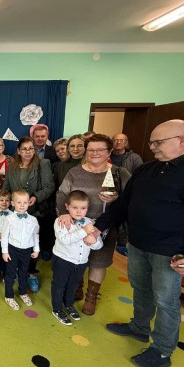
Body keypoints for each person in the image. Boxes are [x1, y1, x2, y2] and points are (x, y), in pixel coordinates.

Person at [95, 120, 184, 367]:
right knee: (141, 288)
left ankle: (163, 350)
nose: (152, 147)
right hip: (138, 244)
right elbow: (123, 204)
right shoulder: (146, 169)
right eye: (151, 142)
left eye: (158, 142)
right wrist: (99, 226)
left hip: (172, 252)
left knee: (166, 300)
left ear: (181, 140)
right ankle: (139, 327)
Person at [56, 134, 131, 315]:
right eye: (91, 150)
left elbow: (132, 198)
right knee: (76, 258)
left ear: (109, 151)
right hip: (76, 226)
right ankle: (77, 287)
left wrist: (117, 199)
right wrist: (64, 212)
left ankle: (91, 297)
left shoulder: (120, 173)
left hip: (105, 227)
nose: (94, 153)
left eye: (100, 149)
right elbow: (62, 194)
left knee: (98, 262)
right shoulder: (75, 172)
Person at [51, 190, 103, 325]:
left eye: (83, 208)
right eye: (75, 207)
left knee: (73, 285)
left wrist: (94, 241)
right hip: (62, 260)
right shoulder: (61, 221)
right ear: (67, 206)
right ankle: (57, 309)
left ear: (88, 207)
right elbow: (65, 240)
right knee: (59, 285)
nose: (79, 211)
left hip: (81, 262)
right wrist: (83, 232)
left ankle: (69, 305)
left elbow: (98, 245)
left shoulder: (89, 222)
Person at [3, 137, 55, 265]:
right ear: (18, 151)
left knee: (30, 243)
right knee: (14, 241)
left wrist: (36, 197)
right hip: (15, 211)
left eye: (31, 148)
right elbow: (6, 187)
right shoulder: (12, 165)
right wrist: (6, 202)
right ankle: (13, 268)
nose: (28, 152)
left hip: (34, 211)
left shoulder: (43, 164)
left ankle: (30, 270)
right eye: (24, 149)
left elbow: (49, 187)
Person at [1, 190, 39, 311]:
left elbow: (35, 235)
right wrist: (5, 252)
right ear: (13, 203)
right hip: (12, 249)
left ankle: (22, 292)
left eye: (25, 202)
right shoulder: (9, 219)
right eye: (19, 202)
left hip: (27, 250)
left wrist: (36, 249)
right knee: (11, 274)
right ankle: (9, 296)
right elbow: (4, 236)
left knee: (24, 272)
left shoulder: (33, 220)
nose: (22, 205)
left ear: (29, 203)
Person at [110, 133, 143, 256]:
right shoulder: (107, 156)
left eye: (121, 140)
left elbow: (140, 175)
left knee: (124, 220)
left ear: (126, 142)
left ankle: (122, 245)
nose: (118, 142)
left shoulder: (134, 158)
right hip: (108, 192)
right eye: (115, 140)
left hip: (126, 192)